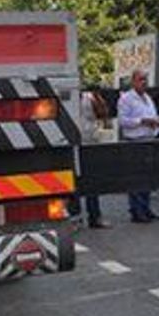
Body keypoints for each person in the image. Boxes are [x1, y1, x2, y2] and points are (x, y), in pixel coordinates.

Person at [117, 70, 159, 224]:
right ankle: (136, 212)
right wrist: (142, 121)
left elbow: (152, 116)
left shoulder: (148, 98)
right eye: (140, 79)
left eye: (145, 79)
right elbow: (123, 121)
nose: (143, 82)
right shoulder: (126, 99)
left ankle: (146, 209)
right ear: (133, 81)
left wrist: (158, 121)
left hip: (150, 139)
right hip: (135, 141)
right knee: (137, 178)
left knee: (148, 178)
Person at [68, 89, 109, 229]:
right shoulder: (67, 97)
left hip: (90, 145)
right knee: (74, 183)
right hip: (72, 145)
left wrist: (97, 97)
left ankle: (95, 217)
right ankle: (75, 218)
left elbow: (103, 114)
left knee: (92, 182)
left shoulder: (89, 97)